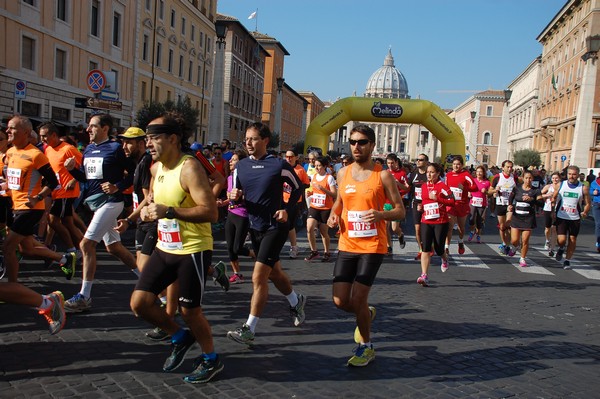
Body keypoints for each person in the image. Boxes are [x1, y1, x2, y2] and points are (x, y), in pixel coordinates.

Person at [129, 112, 223, 384]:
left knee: (190, 312)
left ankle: (211, 359)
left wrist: (170, 210)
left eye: (154, 138)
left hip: (193, 249)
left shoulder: (189, 167)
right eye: (147, 138)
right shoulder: (156, 168)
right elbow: (153, 202)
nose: (148, 143)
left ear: (172, 139)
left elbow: (211, 212)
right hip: (165, 246)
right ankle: (180, 337)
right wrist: (146, 212)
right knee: (140, 304)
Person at [326, 124, 405, 367]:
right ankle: (366, 313)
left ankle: (366, 346)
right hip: (347, 243)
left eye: (361, 142)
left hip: (372, 245)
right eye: (353, 142)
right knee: (340, 301)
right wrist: (332, 215)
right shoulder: (343, 173)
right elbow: (339, 202)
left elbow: (400, 211)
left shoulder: (383, 175)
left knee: (358, 298)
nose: (356, 146)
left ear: (371, 145)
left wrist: (381, 215)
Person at [226, 122, 306, 346]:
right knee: (275, 273)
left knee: (258, 277)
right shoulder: (240, 166)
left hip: (275, 227)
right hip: (255, 226)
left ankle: (249, 329)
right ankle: (295, 300)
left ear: (265, 141)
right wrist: (235, 196)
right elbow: (240, 193)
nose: (248, 143)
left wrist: (286, 210)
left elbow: (299, 188)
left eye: (253, 139)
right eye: (246, 140)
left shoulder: (278, 164)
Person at [63, 113, 138, 312]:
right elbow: (87, 179)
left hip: (112, 202)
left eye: (93, 126)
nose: (88, 130)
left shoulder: (115, 148)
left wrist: (117, 186)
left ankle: (84, 297)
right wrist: (72, 170)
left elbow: (133, 173)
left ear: (105, 128)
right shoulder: (88, 149)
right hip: (96, 204)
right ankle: (149, 283)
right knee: (114, 248)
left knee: (86, 244)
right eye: (89, 126)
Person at [3, 116, 75, 281]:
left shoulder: (36, 155)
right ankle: (64, 259)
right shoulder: (10, 151)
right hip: (16, 206)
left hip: (31, 208)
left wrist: (37, 197)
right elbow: (13, 181)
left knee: (8, 246)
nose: (8, 131)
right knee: (26, 248)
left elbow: (53, 181)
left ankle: (12, 286)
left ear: (26, 132)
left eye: (12, 128)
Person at [39, 122, 84, 264]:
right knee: (68, 222)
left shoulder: (68, 149)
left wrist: (75, 181)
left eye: (45, 136)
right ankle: (83, 248)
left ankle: (73, 250)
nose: (42, 140)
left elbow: (84, 168)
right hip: (55, 191)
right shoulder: (48, 149)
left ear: (54, 134)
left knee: (53, 220)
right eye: (40, 136)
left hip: (66, 191)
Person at [417, 163, 455, 286]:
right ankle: (424, 275)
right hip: (426, 221)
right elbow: (424, 201)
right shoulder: (423, 186)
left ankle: (444, 259)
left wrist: (438, 198)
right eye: (428, 172)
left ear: (438, 173)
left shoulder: (443, 186)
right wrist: (421, 206)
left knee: (439, 249)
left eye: (432, 172)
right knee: (425, 248)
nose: (429, 174)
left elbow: (452, 201)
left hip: (440, 221)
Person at [221, 149, 255, 284]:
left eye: (234, 159)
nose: (230, 161)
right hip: (231, 213)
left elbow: (251, 196)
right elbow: (230, 197)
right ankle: (237, 274)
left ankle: (255, 254)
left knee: (237, 248)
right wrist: (222, 202)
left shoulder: (246, 178)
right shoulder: (230, 177)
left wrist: (241, 194)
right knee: (230, 248)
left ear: (241, 163)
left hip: (242, 215)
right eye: (231, 159)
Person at [554, 165, 591, 269]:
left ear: (578, 175)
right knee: (561, 240)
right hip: (561, 216)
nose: (571, 176)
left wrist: (585, 212)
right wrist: (552, 207)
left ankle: (567, 260)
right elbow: (554, 198)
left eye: (574, 174)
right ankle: (561, 248)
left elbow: (588, 203)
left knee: (573, 239)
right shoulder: (561, 185)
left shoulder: (583, 188)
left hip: (575, 217)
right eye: (569, 174)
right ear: (567, 174)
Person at [507, 171, 543, 267]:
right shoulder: (517, 188)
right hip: (516, 217)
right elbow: (511, 197)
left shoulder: (536, 190)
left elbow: (541, 203)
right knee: (514, 240)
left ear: (532, 179)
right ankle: (515, 247)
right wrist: (510, 205)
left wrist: (532, 199)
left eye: (530, 178)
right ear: (523, 178)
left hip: (528, 218)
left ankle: (522, 258)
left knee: (525, 240)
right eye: (526, 178)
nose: (528, 180)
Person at [304, 156, 337, 262]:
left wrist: (323, 189)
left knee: (324, 232)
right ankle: (314, 251)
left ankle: (327, 252)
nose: (317, 168)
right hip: (314, 206)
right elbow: (315, 191)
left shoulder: (329, 178)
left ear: (324, 166)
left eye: (319, 166)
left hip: (326, 208)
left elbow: (334, 194)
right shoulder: (313, 177)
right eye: (316, 166)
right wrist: (311, 193)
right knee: (309, 228)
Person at [445, 155, 477, 255]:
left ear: (462, 165)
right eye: (454, 164)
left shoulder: (466, 175)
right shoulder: (448, 175)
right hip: (451, 204)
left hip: (462, 205)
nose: (456, 166)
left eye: (458, 164)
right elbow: (445, 188)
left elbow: (475, 188)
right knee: (449, 226)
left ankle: (460, 241)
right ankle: (446, 247)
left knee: (461, 227)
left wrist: (465, 188)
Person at [283, 149, 310, 259]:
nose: (289, 159)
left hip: (294, 201)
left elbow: (307, 184)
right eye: (287, 157)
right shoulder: (282, 168)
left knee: (290, 225)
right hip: (282, 200)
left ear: (296, 158)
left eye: (291, 157)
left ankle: (294, 247)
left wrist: (297, 187)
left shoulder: (300, 170)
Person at [490, 160, 519, 256]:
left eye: (511, 167)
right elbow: (490, 190)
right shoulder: (497, 177)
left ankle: (509, 243)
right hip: (500, 203)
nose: (509, 169)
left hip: (510, 204)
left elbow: (518, 189)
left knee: (508, 223)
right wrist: (495, 190)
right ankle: (504, 243)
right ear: (503, 167)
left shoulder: (514, 177)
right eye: (507, 167)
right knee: (502, 227)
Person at [384, 153, 408, 254]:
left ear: (396, 162)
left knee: (394, 228)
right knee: (385, 227)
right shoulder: (385, 173)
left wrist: (398, 184)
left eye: (392, 163)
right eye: (388, 163)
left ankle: (400, 235)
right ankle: (389, 246)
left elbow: (407, 188)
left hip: (396, 204)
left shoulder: (402, 174)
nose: (390, 165)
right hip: (386, 203)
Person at [407, 154, 429, 260]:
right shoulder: (413, 175)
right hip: (416, 203)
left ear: (426, 162)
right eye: (417, 159)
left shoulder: (429, 174)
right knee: (418, 228)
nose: (418, 161)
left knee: (428, 228)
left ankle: (429, 246)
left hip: (428, 204)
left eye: (421, 160)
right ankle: (421, 249)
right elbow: (408, 187)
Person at [467, 166, 491, 243]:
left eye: (481, 171)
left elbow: (490, 193)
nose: (479, 173)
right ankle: (471, 232)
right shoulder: (473, 181)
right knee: (471, 218)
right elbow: (468, 189)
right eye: (477, 171)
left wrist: (486, 192)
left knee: (479, 220)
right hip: (473, 202)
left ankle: (478, 235)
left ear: (484, 173)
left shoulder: (487, 182)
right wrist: (469, 193)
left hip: (482, 203)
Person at [541, 172, 561, 257]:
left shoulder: (562, 187)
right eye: (553, 178)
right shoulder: (548, 186)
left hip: (558, 209)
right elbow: (539, 195)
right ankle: (547, 240)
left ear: (559, 178)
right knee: (547, 228)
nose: (555, 180)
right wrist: (547, 195)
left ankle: (552, 248)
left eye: (556, 178)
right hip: (548, 209)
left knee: (554, 229)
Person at [590, 172, 600, 253]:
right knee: (598, 223)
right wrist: (593, 192)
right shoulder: (595, 182)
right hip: (597, 205)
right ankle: (598, 241)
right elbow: (590, 191)